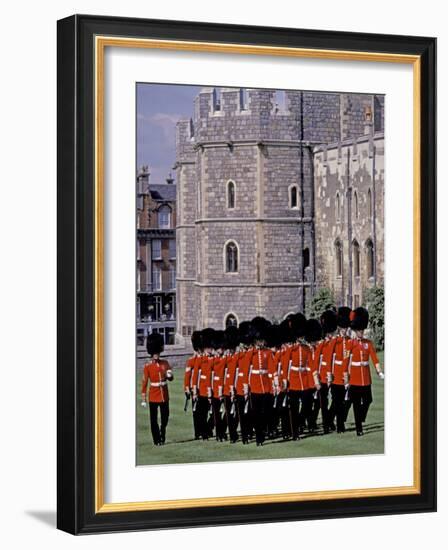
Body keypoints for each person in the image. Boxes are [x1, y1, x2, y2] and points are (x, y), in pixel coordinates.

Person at [346, 307, 385, 436]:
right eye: (359, 330)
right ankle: (359, 429)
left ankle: (361, 417)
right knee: (356, 405)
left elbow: (374, 358)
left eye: (362, 330)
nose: (361, 332)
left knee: (368, 400)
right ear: (355, 330)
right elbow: (346, 361)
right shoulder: (350, 344)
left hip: (366, 377)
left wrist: (379, 371)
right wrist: (346, 379)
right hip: (355, 378)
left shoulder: (368, 343)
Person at [140, 333, 173, 445]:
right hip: (153, 395)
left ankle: (162, 430)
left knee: (165, 416)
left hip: (164, 394)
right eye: (155, 353)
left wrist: (169, 376)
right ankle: (157, 440)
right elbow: (144, 382)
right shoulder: (147, 366)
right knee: (153, 420)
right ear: (151, 353)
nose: (156, 355)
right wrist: (143, 398)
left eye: (158, 352)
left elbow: (171, 377)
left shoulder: (165, 363)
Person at [244, 317, 273, 446]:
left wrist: (275, 383)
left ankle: (262, 432)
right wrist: (246, 387)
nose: (261, 342)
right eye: (259, 340)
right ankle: (259, 438)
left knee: (266, 412)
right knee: (256, 414)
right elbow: (245, 371)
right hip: (255, 386)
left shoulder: (268, 352)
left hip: (266, 385)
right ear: (255, 340)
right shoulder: (251, 353)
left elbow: (272, 369)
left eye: (262, 340)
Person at [328, 307, 353, 433]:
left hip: (345, 376)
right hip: (335, 376)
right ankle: (339, 426)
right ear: (339, 328)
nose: (344, 331)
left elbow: (349, 358)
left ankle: (330, 420)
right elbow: (329, 359)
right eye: (343, 328)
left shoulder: (349, 341)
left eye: (346, 328)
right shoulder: (334, 341)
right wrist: (329, 376)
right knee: (337, 402)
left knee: (343, 402)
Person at [314, 309, 338, 433]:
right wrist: (316, 378)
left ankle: (329, 419)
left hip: (335, 375)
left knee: (337, 399)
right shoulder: (321, 344)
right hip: (323, 375)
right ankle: (326, 425)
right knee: (323, 401)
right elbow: (316, 362)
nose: (331, 334)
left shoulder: (337, 342)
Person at [195, 327, 215, 440]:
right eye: (208, 347)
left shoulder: (215, 359)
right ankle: (204, 433)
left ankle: (208, 428)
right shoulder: (200, 360)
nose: (210, 349)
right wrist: (195, 389)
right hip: (202, 390)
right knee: (203, 414)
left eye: (210, 347)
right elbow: (196, 376)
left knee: (214, 413)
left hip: (214, 389)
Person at [222, 325, 240, 443]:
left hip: (237, 388)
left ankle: (233, 433)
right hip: (227, 388)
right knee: (228, 413)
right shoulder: (226, 358)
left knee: (237, 412)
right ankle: (232, 434)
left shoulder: (238, 357)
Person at [185, 330, 203, 439]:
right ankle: (198, 433)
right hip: (194, 389)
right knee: (196, 411)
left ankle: (204, 430)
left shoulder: (204, 359)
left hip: (204, 387)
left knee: (205, 411)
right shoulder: (191, 360)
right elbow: (187, 376)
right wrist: (187, 388)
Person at [210, 330, 227, 441]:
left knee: (227, 411)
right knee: (216, 413)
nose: (221, 350)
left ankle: (222, 431)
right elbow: (210, 377)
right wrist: (209, 391)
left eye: (222, 348)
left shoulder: (226, 359)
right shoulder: (213, 361)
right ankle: (219, 434)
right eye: (220, 348)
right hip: (215, 389)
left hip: (225, 388)